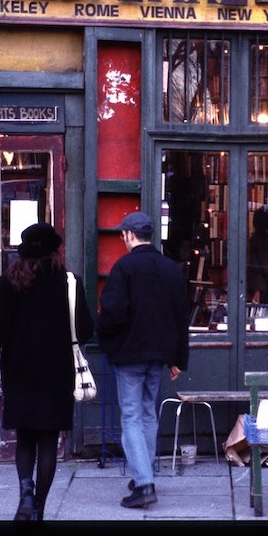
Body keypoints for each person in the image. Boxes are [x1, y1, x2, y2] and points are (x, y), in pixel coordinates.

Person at [0, 222, 94, 521]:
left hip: (20, 369)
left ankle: (25, 493)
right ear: (55, 249)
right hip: (57, 371)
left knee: (25, 437)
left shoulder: (9, 282)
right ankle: (37, 508)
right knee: (48, 441)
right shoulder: (70, 282)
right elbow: (87, 330)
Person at [97, 211, 190, 509]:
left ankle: (145, 484)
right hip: (159, 355)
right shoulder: (171, 269)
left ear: (128, 235)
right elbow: (180, 317)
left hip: (130, 355)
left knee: (132, 417)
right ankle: (143, 473)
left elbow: (112, 313)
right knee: (148, 414)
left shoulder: (124, 268)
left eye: (122, 235)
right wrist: (178, 357)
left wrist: (106, 338)